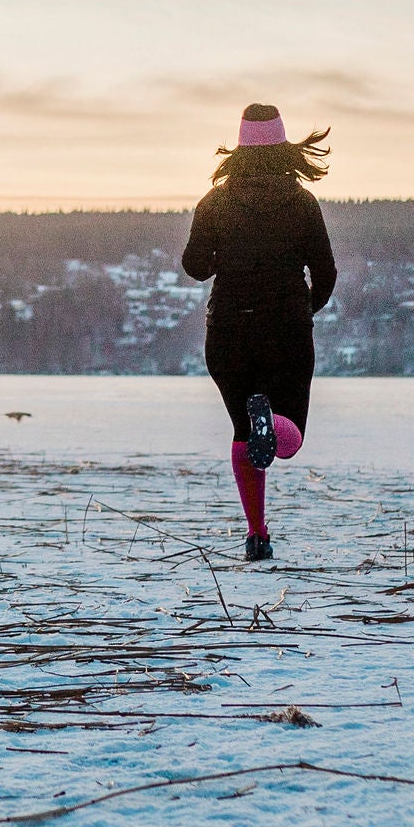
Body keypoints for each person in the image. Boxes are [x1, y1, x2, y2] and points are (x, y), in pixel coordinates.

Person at [180, 103, 334, 561]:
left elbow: (193, 265)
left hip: (227, 334)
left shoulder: (215, 202)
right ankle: (273, 421)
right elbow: (325, 273)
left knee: (244, 433)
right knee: (288, 439)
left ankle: (257, 534)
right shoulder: (302, 203)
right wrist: (305, 310)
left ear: (240, 149)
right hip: (286, 332)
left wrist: (217, 259)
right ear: (285, 148)